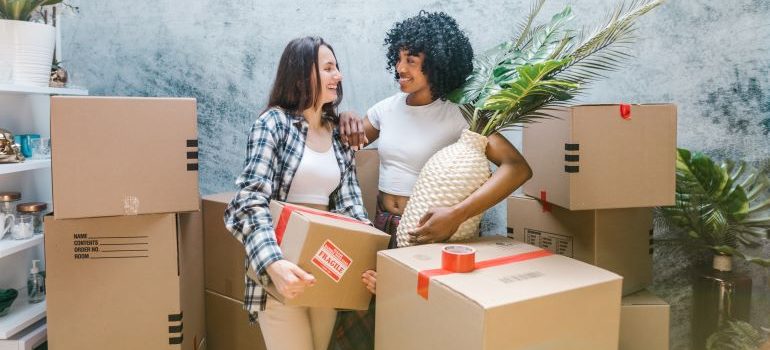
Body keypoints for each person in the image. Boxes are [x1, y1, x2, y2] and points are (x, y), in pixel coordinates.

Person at [329, 11, 533, 350]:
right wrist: (346, 115)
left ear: (437, 64)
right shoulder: (387, 109)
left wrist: (457, 215)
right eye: (398, 58)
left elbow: (517, 168)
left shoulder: (460, 115)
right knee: (362, 329)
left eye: (411, 60)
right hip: (382, 230)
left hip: (430, 236)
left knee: (418, 330)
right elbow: (341, 140)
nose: (400, 68)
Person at [224, 36, 370, 350]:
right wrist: (274, 265)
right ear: (303, 74)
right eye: (328, 68)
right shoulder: (273, 124)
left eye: (337, 68)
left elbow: (352, 208)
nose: (338, 76)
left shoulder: (339, 135)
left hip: (325, 272)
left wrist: (368, 262)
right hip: (281, 270)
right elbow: (249, 201)